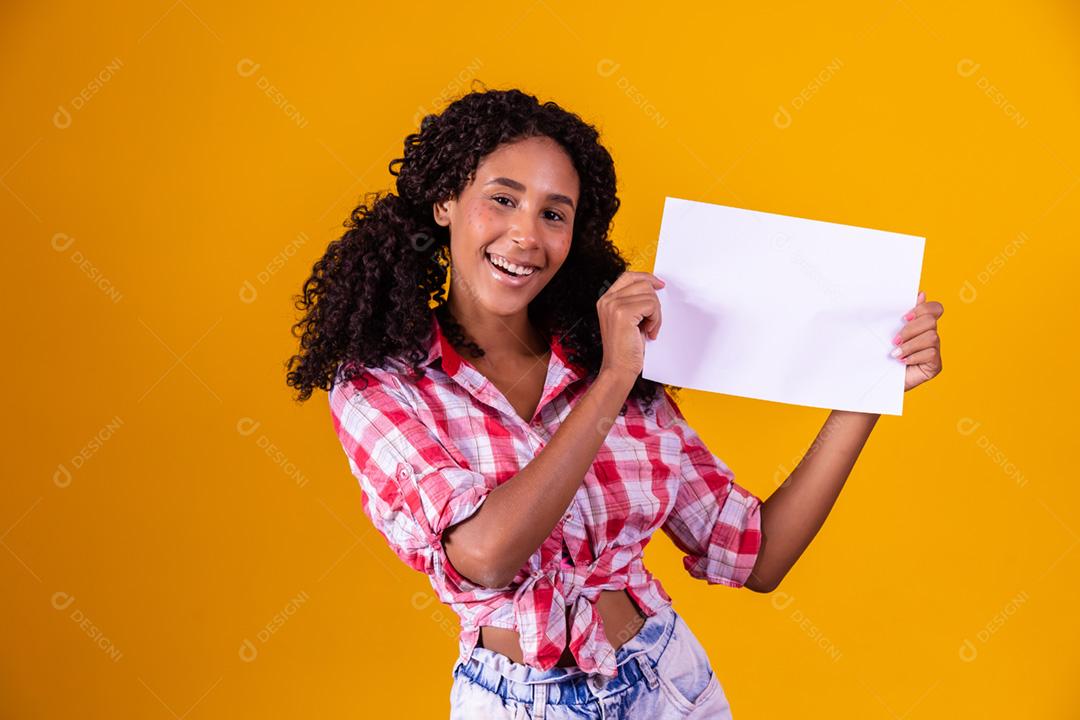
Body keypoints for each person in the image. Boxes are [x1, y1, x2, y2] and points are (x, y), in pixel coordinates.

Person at [285, 86, 945, 718]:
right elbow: (485, 556)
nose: (525, 236)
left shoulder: (604, 353)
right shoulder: (382, 383)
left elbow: (758, 554)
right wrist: (611, 383)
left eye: (553, 213)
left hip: (668, 686)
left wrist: (869, 383)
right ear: (444, 203)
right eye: (502, 199)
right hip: (515, 704)